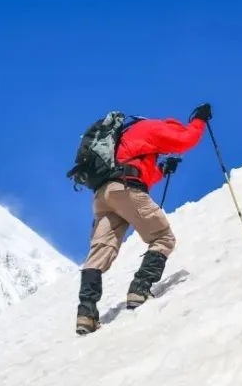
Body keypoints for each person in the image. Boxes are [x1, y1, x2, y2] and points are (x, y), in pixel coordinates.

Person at [75, 103, 211, 335]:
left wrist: (161, 170)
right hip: (125, 190)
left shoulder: (122, 138)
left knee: (100, 252)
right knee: (163, 237)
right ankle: (139, 288)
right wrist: (199, 120)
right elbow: (185, 140)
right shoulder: (153, 127)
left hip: (103, 196)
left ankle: (86, 313)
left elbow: (133, 172)